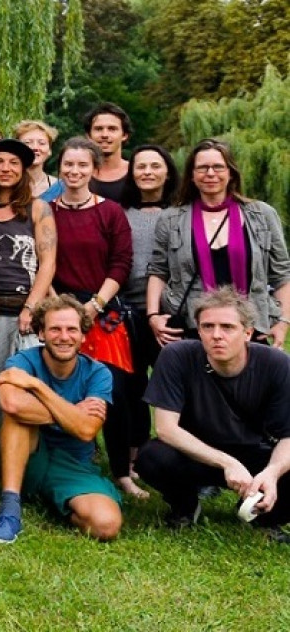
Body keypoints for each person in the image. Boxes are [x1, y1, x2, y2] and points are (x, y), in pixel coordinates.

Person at [135, 289, 290, 542]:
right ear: (198, 331)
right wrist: (227, 463)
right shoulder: (177, 356)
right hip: (195, 452)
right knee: (151, 457)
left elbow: (288, 436)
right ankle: (185, 506)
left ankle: (263, 516)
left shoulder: (276, 363)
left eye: (227, 327)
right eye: (208, 326)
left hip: (254, 452)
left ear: (248, 333)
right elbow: (165, 428)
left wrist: (272, 472)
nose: (216, 335)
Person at [0, 295, 123, 543]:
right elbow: (12, 403)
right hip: (27, 456)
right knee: (17, 418)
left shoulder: (98, 373)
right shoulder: (22, 361)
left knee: (106, 525)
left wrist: (36, 386)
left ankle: (52, 497)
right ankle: (9, 509)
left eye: (72, 329)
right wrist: (73, 413)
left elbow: (86, 430)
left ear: (83, 335)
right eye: (55, 329)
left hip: (74, 465)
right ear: (41, 333)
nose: (64, 336)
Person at [52, 137, 141, 493]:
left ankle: (121, 472)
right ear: (60, 167)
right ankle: (66, 460)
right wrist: (61, 307)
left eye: (82, 165)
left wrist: (95, 305)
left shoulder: (111, 212)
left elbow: (121, 262)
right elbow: (41, 261)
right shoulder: (45, 212)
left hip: (102, 312)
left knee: (114, 391)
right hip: (58, 309)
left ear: (94, 169)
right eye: (68, 164)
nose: (74, 171)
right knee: (60, 388)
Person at [147, 139, 290, 348]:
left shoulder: (262, 214)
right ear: (192, 175)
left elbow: (282, 274)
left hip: (251, 326)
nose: (210, 173)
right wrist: (153, 316)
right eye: (202, 168)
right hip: (191, 327)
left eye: (218, 167)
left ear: (230, 173)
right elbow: (158, 271)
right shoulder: (171, 219)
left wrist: (283, 322)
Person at [0, 138, 56, 465]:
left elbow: (48, 262)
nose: (6, 168)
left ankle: (19, 456)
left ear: (23, 170)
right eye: (0, 162)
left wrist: (31, 307)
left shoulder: (38, 208)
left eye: (14, 163)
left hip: (23, 311)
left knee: (18, 384)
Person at [115, 144, 180, 499]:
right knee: (132, 388)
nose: (148, 172)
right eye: (141, 166)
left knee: (178, 389)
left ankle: (186, 458)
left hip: (171, 315)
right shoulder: (120, 213)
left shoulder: (181, 213)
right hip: (128, 310)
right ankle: (133, 460)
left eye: (156, 166)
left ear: (168, 172)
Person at [84, 103, 133, 202]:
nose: (105, 135)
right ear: (88, 135)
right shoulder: (77, 175)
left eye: (112, 129)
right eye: (98, 129)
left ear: (124, 135)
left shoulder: (137, 174)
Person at [14, 119, 63, 202]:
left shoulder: (61, 188)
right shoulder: (7, 185)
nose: (35, 147)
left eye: (41, 143)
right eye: (28, 142)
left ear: (49, 150)